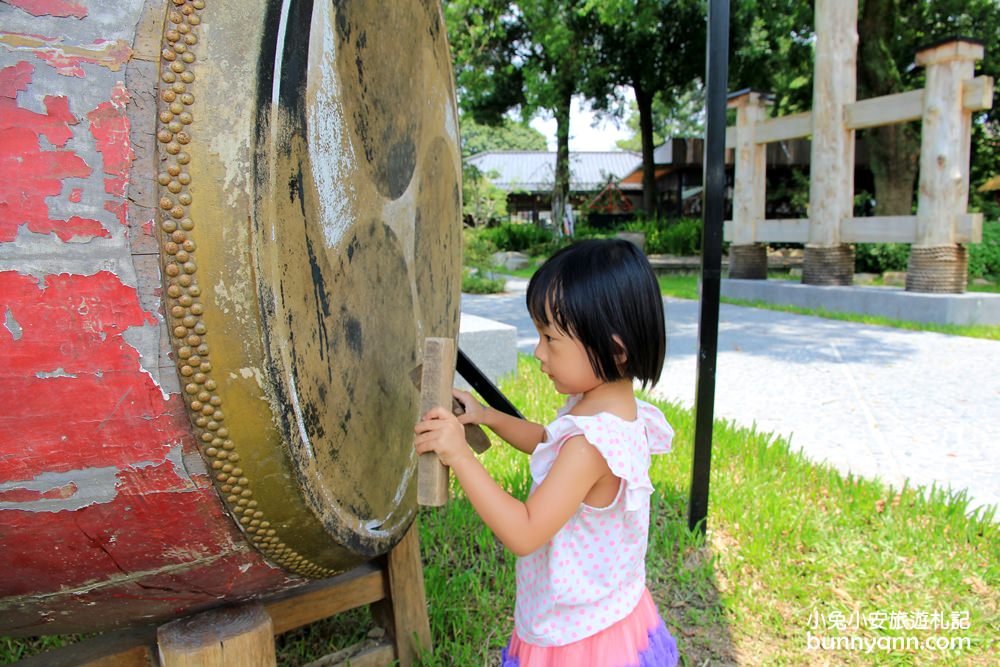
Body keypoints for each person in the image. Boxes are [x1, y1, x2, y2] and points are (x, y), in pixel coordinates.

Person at [414, 239, 679, 666]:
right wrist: (488, 416)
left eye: (550, 338)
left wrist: (460, 456)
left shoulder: (590, 445)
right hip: (615, 611)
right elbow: (546, 441)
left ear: (614, 350)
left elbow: (525, 530)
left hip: (575, 639)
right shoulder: (610, 409)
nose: (538, 352)